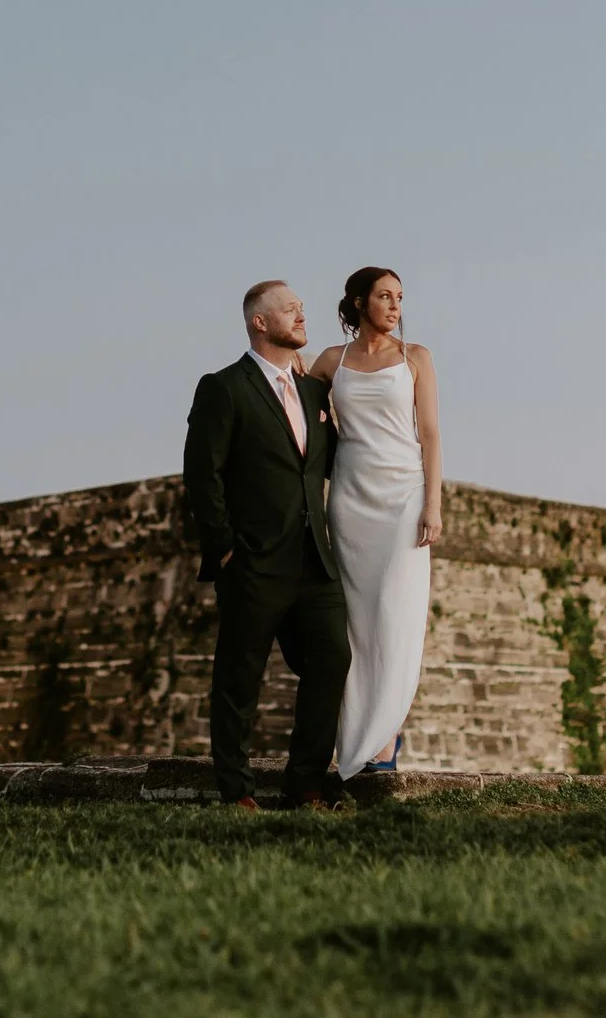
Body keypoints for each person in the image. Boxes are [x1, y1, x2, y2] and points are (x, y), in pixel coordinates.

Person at [182, 280, 352, 810]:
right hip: (253, 561)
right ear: (260, 321)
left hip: (314, 561)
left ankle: (305, 784)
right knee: (239, 680)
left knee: (332, 660)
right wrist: (225, 546)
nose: (303, 316)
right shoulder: (223, 387)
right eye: (291, 309)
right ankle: (237, 792)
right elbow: (201, 472)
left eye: (302, 308)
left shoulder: (313, 393)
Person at [304, 267, 441, 777]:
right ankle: (354, 740)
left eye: (400, 297)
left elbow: (430, 434)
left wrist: (434, 504)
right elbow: (295, 402)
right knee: (356, 625)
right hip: (351, 499)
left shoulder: (416, 359)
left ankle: (385, 740)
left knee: (397, 617)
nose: (395, 306)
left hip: (404, 496)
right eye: (385, 296)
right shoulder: (330, 362)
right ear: (360, 302)